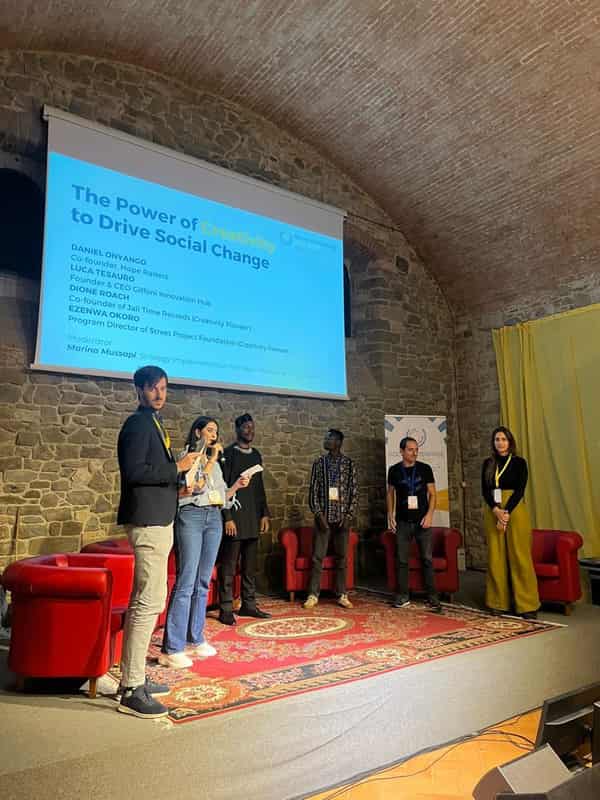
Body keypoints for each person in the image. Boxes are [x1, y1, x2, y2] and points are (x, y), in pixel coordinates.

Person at [116, 365, 199, 719]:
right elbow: (134, 472)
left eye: (163, 388)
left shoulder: (154, 422)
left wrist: (180, 488)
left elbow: (153, 476)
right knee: (148, 602)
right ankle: (131, 688)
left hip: (159, 517)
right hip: (147, 522)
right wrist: (177, 467)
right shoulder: (137, 424)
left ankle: (133, 677)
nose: (159, 394)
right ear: (138, 390)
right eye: (152, 388)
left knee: (149, 600)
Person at [159, 416, 249, 667]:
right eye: (209, 430)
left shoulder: (215, 465)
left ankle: (195, 638)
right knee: (186, 580)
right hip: (192, 515)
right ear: (198, 432)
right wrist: (211, 458)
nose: (214, 435)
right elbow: (196, 487)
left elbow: (221, 495)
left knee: (203, 581)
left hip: (214, 517)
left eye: (216, 431)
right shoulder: (187, 456)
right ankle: (172, 647)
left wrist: (236, 487)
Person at [481, 426, 540, 619]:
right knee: (496, 557)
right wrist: (496, 510)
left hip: (514, 510)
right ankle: (498, 602)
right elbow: (485, 491)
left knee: (519, 556)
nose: (500, 443)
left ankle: (527, 604)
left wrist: (506, 512)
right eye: (497, 439)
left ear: (510, 442)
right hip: (493, 511)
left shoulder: (519, 462)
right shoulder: (488, 463)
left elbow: (520, 490)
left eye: (503, 439)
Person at [218, 413, 271, 625]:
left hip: (252, 517)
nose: (250, 431)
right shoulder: (228, 454)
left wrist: (264, 513)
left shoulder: (256, 455)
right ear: (237, 429)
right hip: (235, 517)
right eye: (246, 427)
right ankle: (225, 608)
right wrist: (227, 517)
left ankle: (248, 604)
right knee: (229, 567)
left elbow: (259, 487)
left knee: (250, 566)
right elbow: (222, 488)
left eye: (252, 427)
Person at [386, 436, 442, 612]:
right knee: (402, 560)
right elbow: (390, 493)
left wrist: (430, 515)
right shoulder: (394, 470)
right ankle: (403, 596)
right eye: (410, 450)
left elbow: (433, 494)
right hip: (403, 522)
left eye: (416, 449)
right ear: (402, 451)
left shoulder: (425, 469)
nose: (415, 453)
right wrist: (390, 514)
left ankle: (432, 597)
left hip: (422, 521)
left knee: (427, 559)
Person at [304, 429, 358, 609]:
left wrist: (349, 516)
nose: (325, 440)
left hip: (342, 519)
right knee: (317, 558)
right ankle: (313, 594)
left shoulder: (349, 464)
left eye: (329, 438)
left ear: (338, 442)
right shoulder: (319, 463)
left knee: (342, 558)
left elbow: (354, 491)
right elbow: (313, 491)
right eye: (326, 437)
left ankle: (342, 594)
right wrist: (318, 515)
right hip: (323, 519)